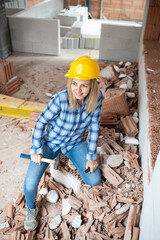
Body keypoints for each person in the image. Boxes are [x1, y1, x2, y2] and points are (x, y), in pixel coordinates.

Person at [23, 56, 103, 231]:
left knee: (94, 179)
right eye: (74, 83)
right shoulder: (60, 99)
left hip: (74, 143)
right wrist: (36, 149)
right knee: (30, 184)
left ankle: (63, 157)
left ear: (93, 84)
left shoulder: (97, 99)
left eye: (84, 85)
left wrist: (91, 157)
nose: (78, 90)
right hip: (50, 143)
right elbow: (40, 122)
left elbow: (94, 126)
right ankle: (30, 208)